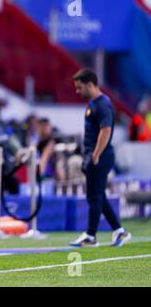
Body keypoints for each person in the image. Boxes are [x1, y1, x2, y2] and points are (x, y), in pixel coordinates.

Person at [70, 68, 131, 247]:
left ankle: (90, 236)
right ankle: (119, 231)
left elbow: (106, 131)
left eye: (80, 87)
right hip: (95, 154)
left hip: (100, 155)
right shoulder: (93, 103)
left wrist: (95, 155)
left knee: (94, 197)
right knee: (98, 196)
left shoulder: (102, 104)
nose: (77, 91)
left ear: (90, 84)